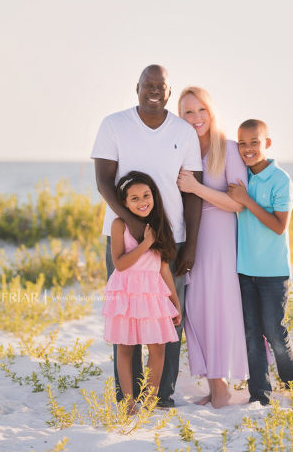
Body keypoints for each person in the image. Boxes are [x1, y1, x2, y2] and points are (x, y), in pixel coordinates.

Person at [91, 65, 203, 408]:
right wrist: (136, 228)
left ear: (169, 92)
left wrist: (191, 245)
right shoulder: (114, 124)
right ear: (136, 87)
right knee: (128, 314)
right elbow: (104, 182)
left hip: (174, 238)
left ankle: (160, 396)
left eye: (161, 86)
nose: (154, 90)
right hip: (126, 238)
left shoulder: (183, 132)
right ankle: (127, 397)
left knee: (167, 316)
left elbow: (193, 192)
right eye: (148, 84)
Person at [227, 119, 293, 406]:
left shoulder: (280, 180)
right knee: (251, 333)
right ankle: (259, 394)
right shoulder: (241, 175)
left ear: (267, 144)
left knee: (275, 331)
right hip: (244, 269)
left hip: (273, 272)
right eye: (242, 143)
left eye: (254, 142)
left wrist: (247, 200)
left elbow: (279, 226)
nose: (248, 149)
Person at [175, 87, 249, 408]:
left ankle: (223, 387)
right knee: (197, 309)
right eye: (188, 112)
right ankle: (214, 384)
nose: (196, 118)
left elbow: (237, 204)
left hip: (219, 239)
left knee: (219, 307)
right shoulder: (180, 149)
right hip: (191, 236)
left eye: (201, 110)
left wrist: (196, 187)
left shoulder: (228, 149)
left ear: (211, 111)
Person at [102, 171, 182, 414]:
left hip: (152, 293)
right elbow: (120, 263)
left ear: (154, 197)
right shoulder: (119, 225)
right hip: (126, 292)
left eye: (146, 195)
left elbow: (164, 268)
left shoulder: (160, 225)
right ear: (124, 203)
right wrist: (146, 243)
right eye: (134, 198)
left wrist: (175, 302)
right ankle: (128, 403)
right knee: (126, 347)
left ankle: (150, 398)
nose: (142, 201)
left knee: (158, 347)